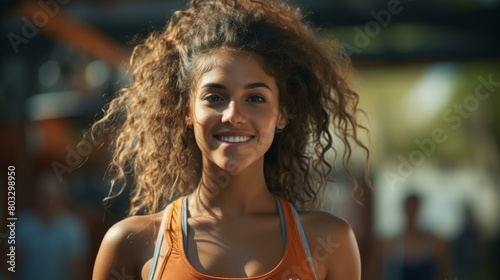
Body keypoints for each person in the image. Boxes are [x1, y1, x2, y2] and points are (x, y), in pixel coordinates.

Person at [92, 0, 370, 279]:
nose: (234, 115)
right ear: (186, 111)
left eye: (255, 98)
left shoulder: (328, 241)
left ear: (283, 114)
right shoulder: (133, 243)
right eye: (215, 97)